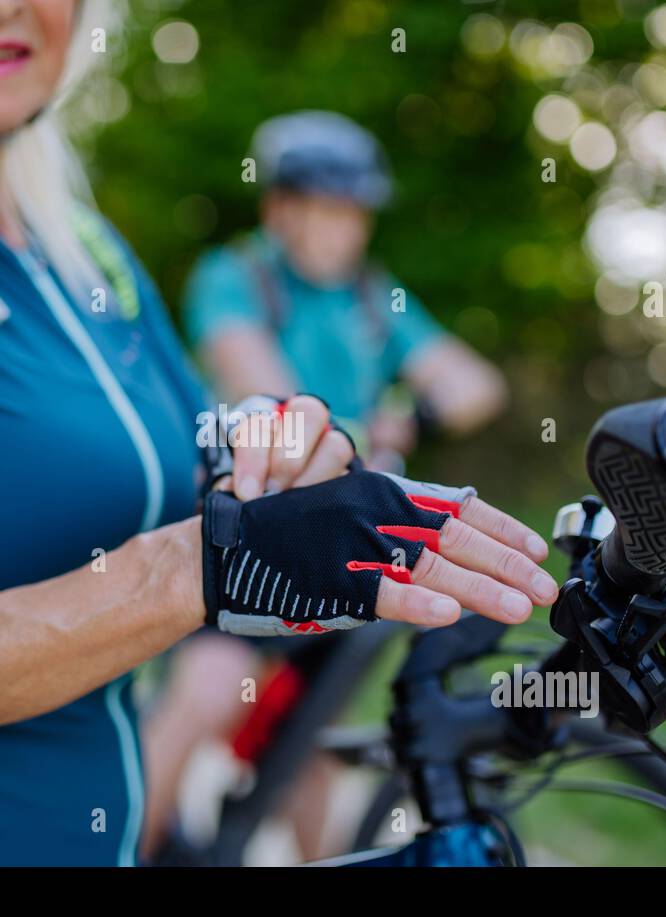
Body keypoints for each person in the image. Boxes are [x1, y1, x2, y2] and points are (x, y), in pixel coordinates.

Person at [0, 0, 556, 866]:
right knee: (215, 695)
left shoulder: (84, 252)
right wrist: (193, 565)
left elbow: (204, 448)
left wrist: (287, 458)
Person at [142, 111, 511, 861]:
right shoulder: (236, 278)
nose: (345, 231)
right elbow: (273, 402)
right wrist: (372, 432)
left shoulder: (375, 298)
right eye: (327, 210)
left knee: (304, 741)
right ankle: (129, 849)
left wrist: (421, 410)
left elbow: (477, 383)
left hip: (342, 537)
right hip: (246, 533)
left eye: (356, 214)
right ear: (279, 207)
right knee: (207, 699)